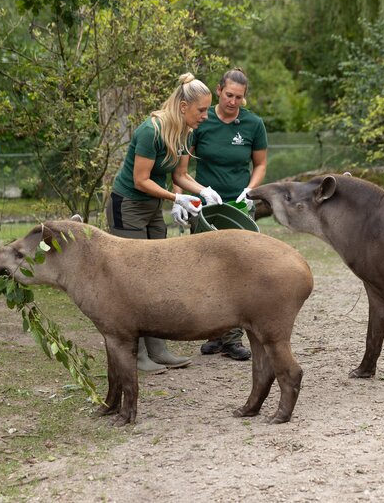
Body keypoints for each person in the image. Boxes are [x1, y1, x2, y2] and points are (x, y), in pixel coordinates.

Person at [106, 72, 223, 373]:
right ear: (184, 106)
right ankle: (135, 354)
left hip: (151, 206)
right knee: (132, 281)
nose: (205, 116)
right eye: (201, 110)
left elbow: (180, 176)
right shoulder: (151, 131)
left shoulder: (185, 132)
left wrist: (201, 191)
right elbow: (140, 179)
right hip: (128, 205)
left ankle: (158, 350)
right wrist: (175, 200)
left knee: (157, 274)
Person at [172, 67, 268, 361]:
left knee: (239, 271)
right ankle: (213, 333)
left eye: (239, 97)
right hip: (205, 206)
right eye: (229, 95)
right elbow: (181, 170)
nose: (233, 102)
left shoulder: (253, 124)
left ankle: (233, 338)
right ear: (218, 91)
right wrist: (186, 195)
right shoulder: (201, 119)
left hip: (237, 207)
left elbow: (261, 164)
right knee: (204, 269)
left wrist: (250, 190)